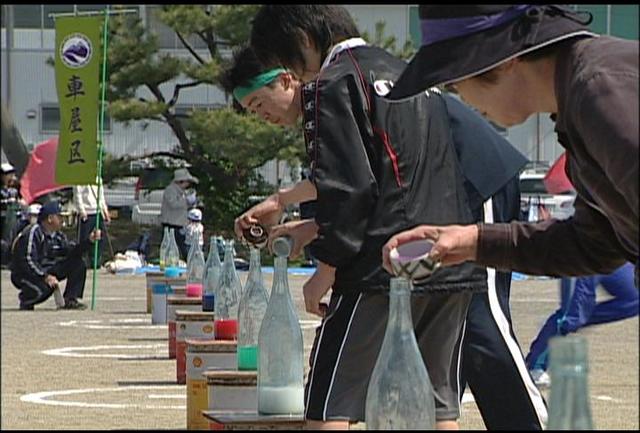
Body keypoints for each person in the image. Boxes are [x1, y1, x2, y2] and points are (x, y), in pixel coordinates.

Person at [247, 7, 547, 429]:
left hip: (379, 268)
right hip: (440, 258)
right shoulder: (410, 74)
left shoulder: (333, 85)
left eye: (289, 60)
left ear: (303, 40)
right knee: (436, 405)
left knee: (330, 403)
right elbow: (405, 176)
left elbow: (350, 188)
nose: (297, 73)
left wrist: (326, 266)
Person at [383, 5, 639, 287]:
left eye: (455, 85)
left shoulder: (599, 92)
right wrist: (471, 242)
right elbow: (596, 244)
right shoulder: (582, 97)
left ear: (501, 58)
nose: (464, 101)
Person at [527, 262, 639, 388]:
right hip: (581, 256)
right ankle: (534, 367)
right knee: (571, 315)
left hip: (612, 256)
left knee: (634, 298)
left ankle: (563, 325)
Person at [10, 200, 101, 310]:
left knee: (78, 264)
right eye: (59, 216)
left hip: (47, 268)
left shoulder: (58, 235)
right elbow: (27, 260)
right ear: (50, 219)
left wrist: (89, 241)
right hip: (25, 274)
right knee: (46, 288)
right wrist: (45, 276)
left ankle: (70, 299)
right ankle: (27, 298)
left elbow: (71, 251)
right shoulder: (33, 232)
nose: (62, 220)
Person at [160, 168, 199, 261]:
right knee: (171, 248)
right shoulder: (170, 190)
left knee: (184, 247)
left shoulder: (182, 191)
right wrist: (186, 200)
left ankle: (188, 262)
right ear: (180, 181)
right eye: (187, 182)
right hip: (170, 225)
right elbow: (173, 204)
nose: (188, 184)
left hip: (180, 224)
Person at [73, 182, 110, 268]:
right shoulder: (80, 178)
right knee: (84, 238)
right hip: (86, 212)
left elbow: (101, 195)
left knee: (99, 237)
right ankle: (81, 260)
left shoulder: (98, 177)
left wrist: (104, 209)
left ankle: (95, 260)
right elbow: (77, 195)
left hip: (97, 211)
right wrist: (82, 211)